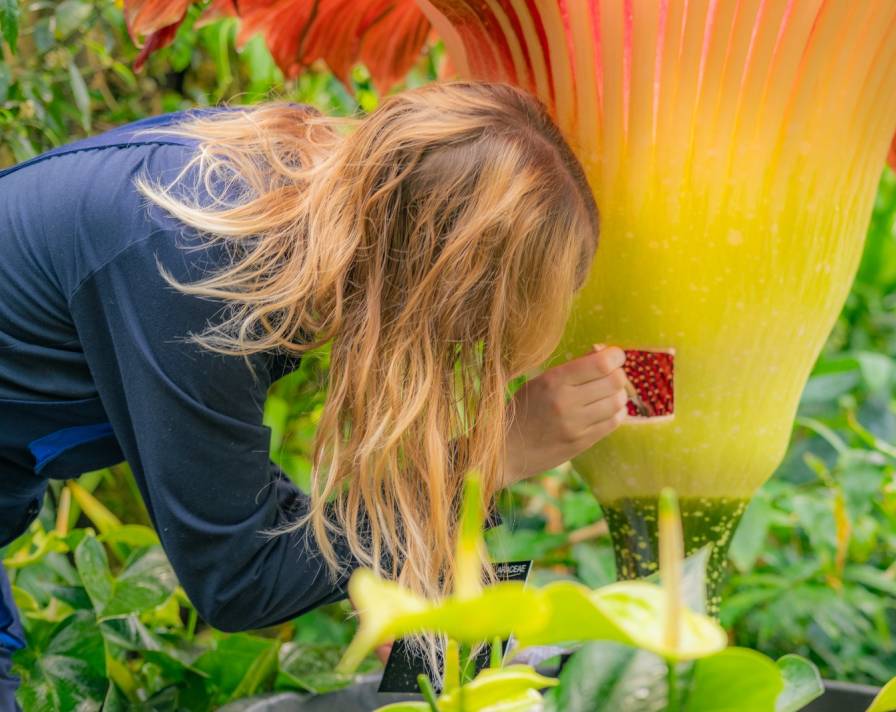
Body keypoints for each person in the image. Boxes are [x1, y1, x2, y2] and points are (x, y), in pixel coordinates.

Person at [0, 81, 630, 709]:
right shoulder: (199, 258)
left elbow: (233, 485)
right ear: (435, 286)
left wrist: (393, 577)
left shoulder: (284, 197)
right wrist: (491, 461)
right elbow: (238, 575)